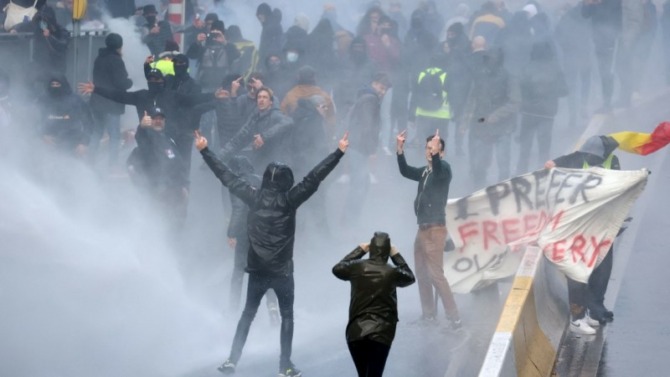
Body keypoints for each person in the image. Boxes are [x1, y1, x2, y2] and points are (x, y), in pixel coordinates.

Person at [194, 130, 349, 377]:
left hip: (257, 270)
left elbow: (226, 176)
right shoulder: (290, 200)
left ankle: (231, 361)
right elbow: (314, 178)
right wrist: (338, 152)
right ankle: (285, 366)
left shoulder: (252, 196)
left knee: (247, 315)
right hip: (282, 271)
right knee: (287, 317)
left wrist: (205, 150)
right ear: (286, 181)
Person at [544, 135, 619, 334]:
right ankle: (578, 316)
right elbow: (552, 165)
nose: (590, 158)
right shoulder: (577, 159)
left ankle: (595, 309)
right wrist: (552, 164)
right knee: (578, 269)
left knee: (602, 269)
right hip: (580, 227)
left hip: (603, 226)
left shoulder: (614, 163)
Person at [395, 129, 461, 329]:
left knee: (435, 274)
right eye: (427, 148)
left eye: (433, 148)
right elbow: (405, 171)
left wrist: (435, 148)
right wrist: (399, 149)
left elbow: (440, 170)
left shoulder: (444, 170)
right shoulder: (425, 172)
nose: (429, 151)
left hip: (435, 229)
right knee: (422, 273)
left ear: (441, 153)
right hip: (422, 229)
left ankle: (454, 317)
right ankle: (429, 314)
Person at [332, 232, 415, 377]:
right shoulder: (392, 272)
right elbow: (410, 277)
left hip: (355, 331)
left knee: (363, 374)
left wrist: (359, 250)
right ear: (387, 251)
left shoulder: (356, 268)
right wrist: (396, 255)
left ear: (371, 249)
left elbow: (338, 268)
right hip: (381, 332)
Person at [89, 32, 133, 169]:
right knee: (114, 134)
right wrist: (130, 82)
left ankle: (90, 160)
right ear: (119, 46)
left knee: (97, 132)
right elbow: (121, 82)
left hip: (97, 100)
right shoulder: (116, 60)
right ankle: (112, 164)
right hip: (111, 103)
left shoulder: (99, 58)